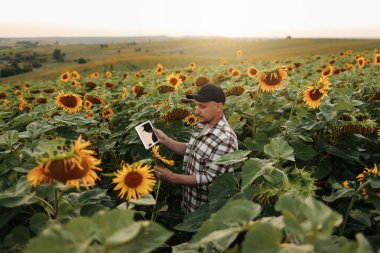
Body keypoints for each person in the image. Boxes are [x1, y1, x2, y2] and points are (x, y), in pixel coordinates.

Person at [154, 84, 238, 214]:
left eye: (202, 106)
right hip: (189, 201)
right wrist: (165, 140)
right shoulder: (203, 124)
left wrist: (172, 177)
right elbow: (191, 149)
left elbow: (209, 179)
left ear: (219, 106)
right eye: (197, 105)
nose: (196, 111)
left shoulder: (225, 139)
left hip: (205, 213)